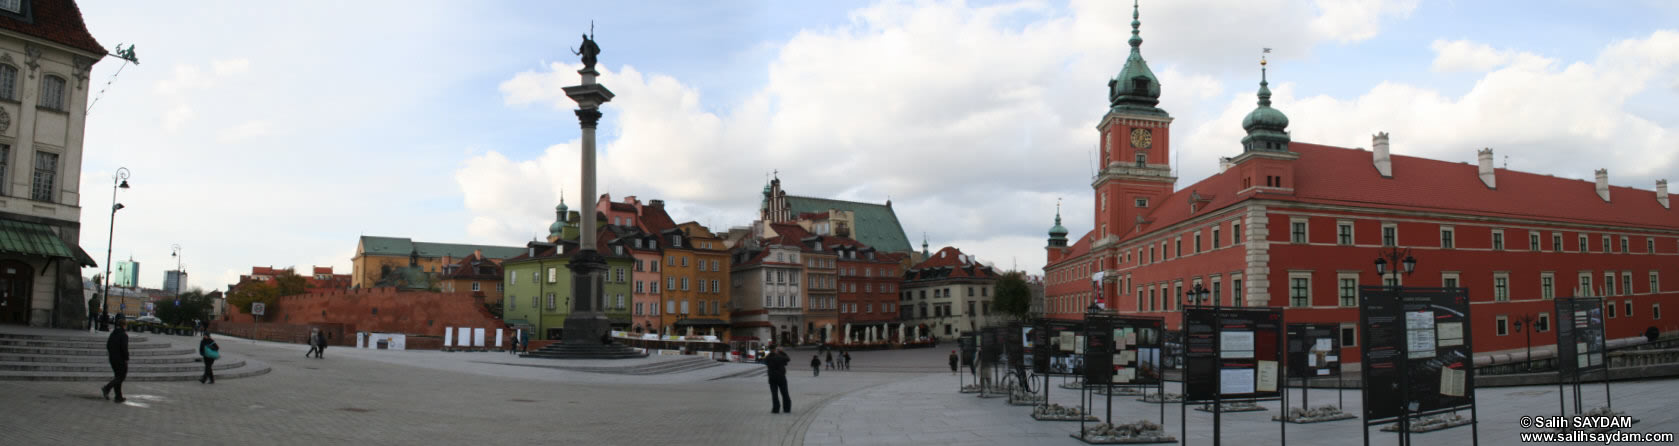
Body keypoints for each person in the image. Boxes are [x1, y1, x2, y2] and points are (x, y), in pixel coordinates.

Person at [101, 315, 129, 403]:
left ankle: (118, 396)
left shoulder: (113, 333)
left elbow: (108, 345)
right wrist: (126, 358)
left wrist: (112, 353)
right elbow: (124, 348)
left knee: (117, 377)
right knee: (121, 376)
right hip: (120, 359)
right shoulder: (124, 335)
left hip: (112, 358)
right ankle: (107, 388)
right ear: (124, 325)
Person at [766, 347, 791, 413]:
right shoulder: (781, 357)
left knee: (774, 394)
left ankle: (776, 409)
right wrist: (781, 352)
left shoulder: (768, 358)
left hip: (772, 378)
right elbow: (788, 359)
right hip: (781, 377)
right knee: (785, 393)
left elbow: (766, 360)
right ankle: (787, 408)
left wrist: (772, 352)